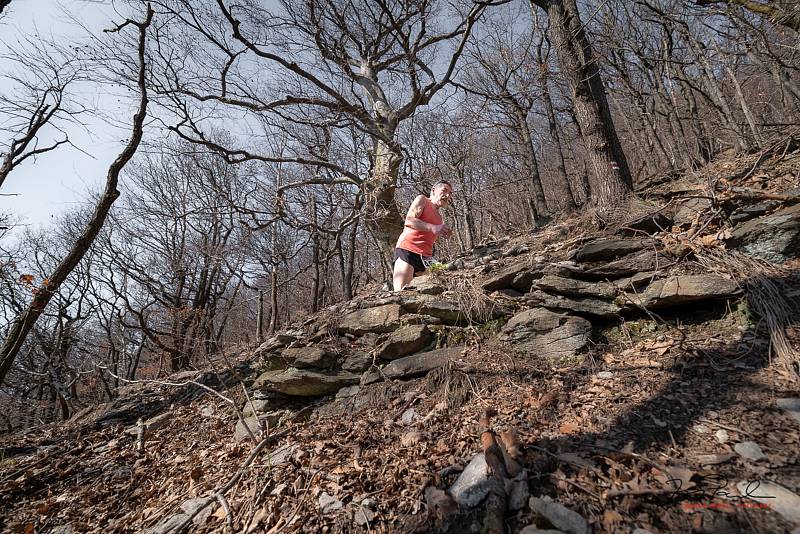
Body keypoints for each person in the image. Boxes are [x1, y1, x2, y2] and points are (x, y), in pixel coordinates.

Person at [392, 180, 453, 291]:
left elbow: (428, 237)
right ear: (433, 190)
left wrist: (443, 232)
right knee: (401, 292)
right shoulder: (423, 200)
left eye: (450, 193)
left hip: (426, 257)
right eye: (444, 190)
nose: (448, 195)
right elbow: (409, 221)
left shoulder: (440, 218)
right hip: (408, 250)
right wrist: (433, 227)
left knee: (443, 283)